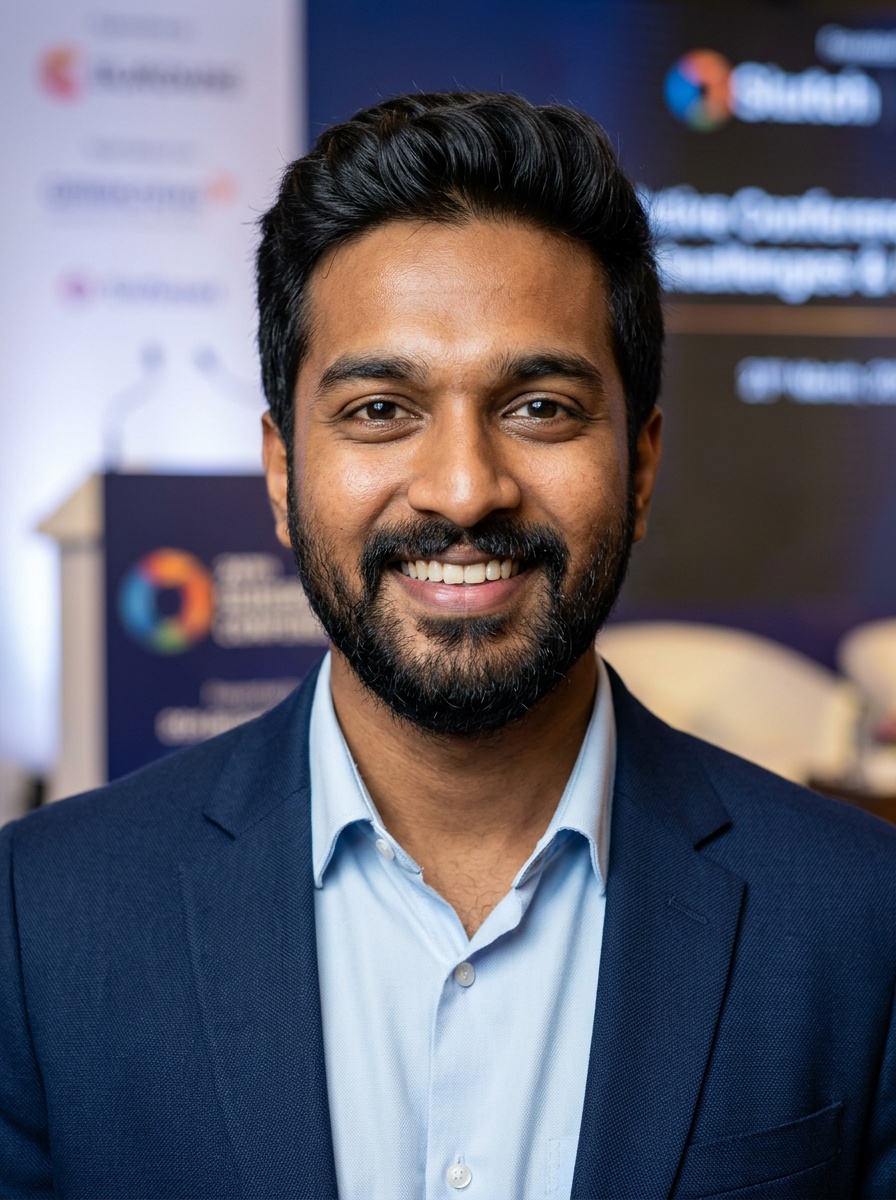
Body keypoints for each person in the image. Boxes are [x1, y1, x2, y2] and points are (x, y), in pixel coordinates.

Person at [1, 92, 894, 1200]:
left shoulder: (861, 923)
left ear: (643, 463)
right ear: (282, 474)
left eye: (539, 407)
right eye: (380, 409)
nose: (464, 490)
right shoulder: (41, 922)